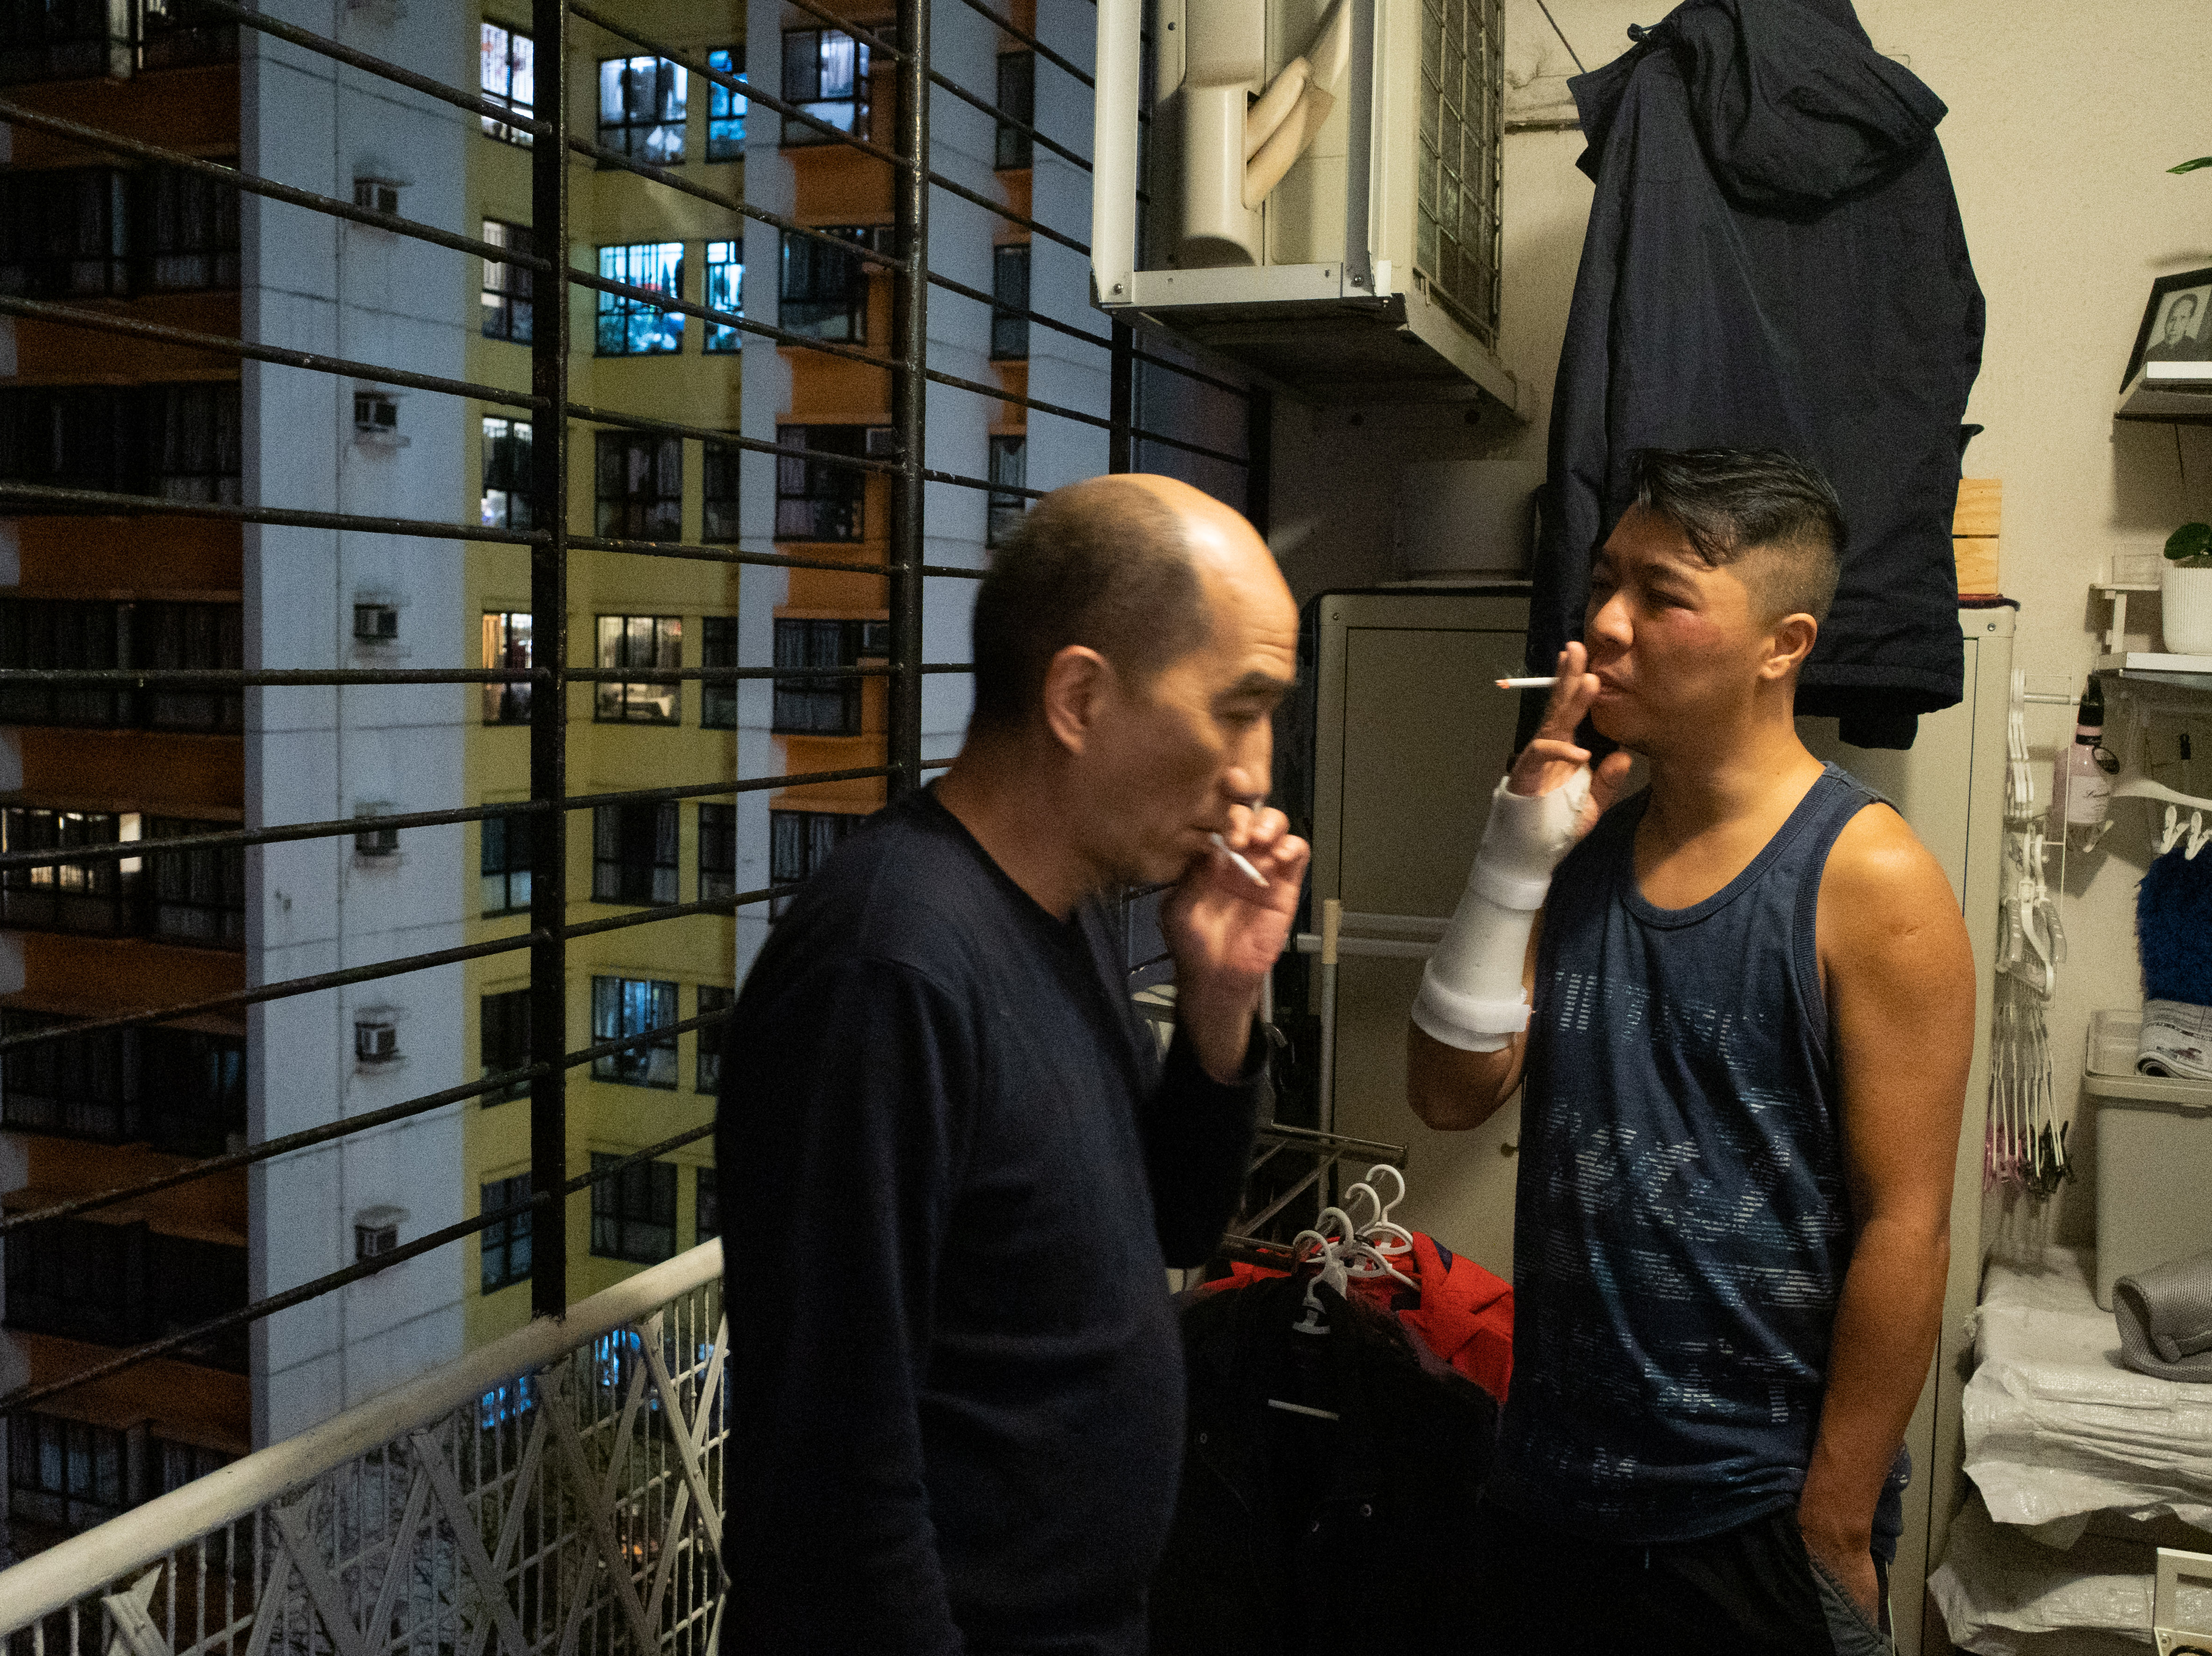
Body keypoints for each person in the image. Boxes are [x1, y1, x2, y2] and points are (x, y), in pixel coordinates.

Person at [715, 475, 1309, 1654]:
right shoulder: (886, 968)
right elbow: (835, 1484)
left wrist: (1219, 1001)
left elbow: (1173, 1224)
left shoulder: (1060, 913)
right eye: (1237, 708)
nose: (1255, 771)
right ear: (1080, 697)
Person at [1406, 448, 1974, 1655]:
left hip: (1750, 1519)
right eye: (1602, 580)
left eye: (1659, 595)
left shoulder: (1869, 881)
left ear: (1782, 642)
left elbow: (1907, 1227)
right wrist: (1513, 853)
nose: (1601, 624)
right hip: (1547, 1494)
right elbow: (1446, 1093)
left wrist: (1828, 1522)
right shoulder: (1576, 850)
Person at [2146, 289, 2207, 361]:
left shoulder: (2197, 351)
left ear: (2189, 322)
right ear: (2166, 323)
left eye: (2183, 318)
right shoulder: (2152, 353)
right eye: (2172, 319)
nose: (2174, 327)